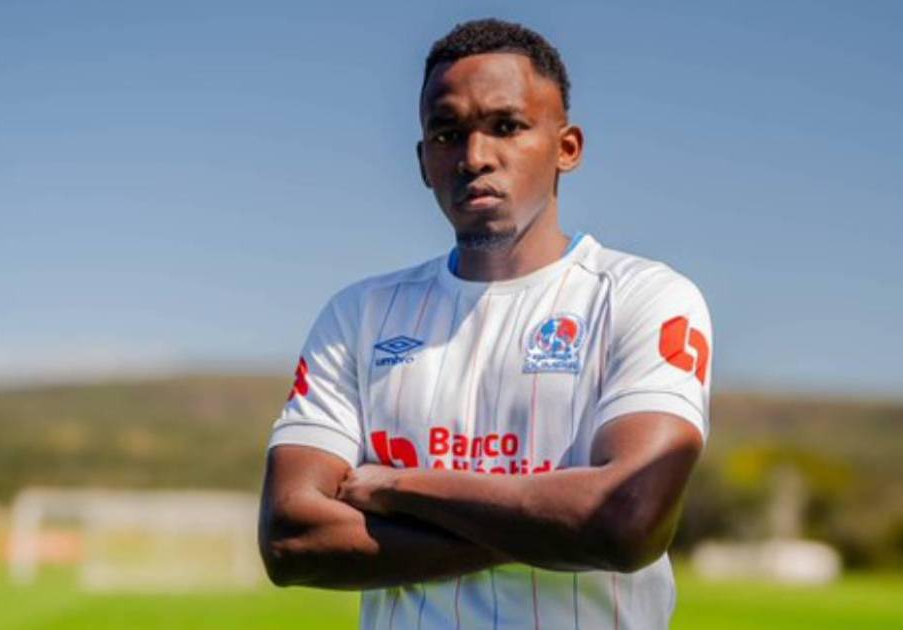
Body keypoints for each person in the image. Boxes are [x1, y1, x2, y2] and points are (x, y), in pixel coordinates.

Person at [258, 17, 712, 629]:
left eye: (506, 127)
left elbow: (626, 520)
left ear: (567, 148)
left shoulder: (643, 297)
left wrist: (397, 488)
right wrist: (554, 525)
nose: (474, 157)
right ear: (423, 161)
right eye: (447, 134)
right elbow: (290, 538)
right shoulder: (360, 314)